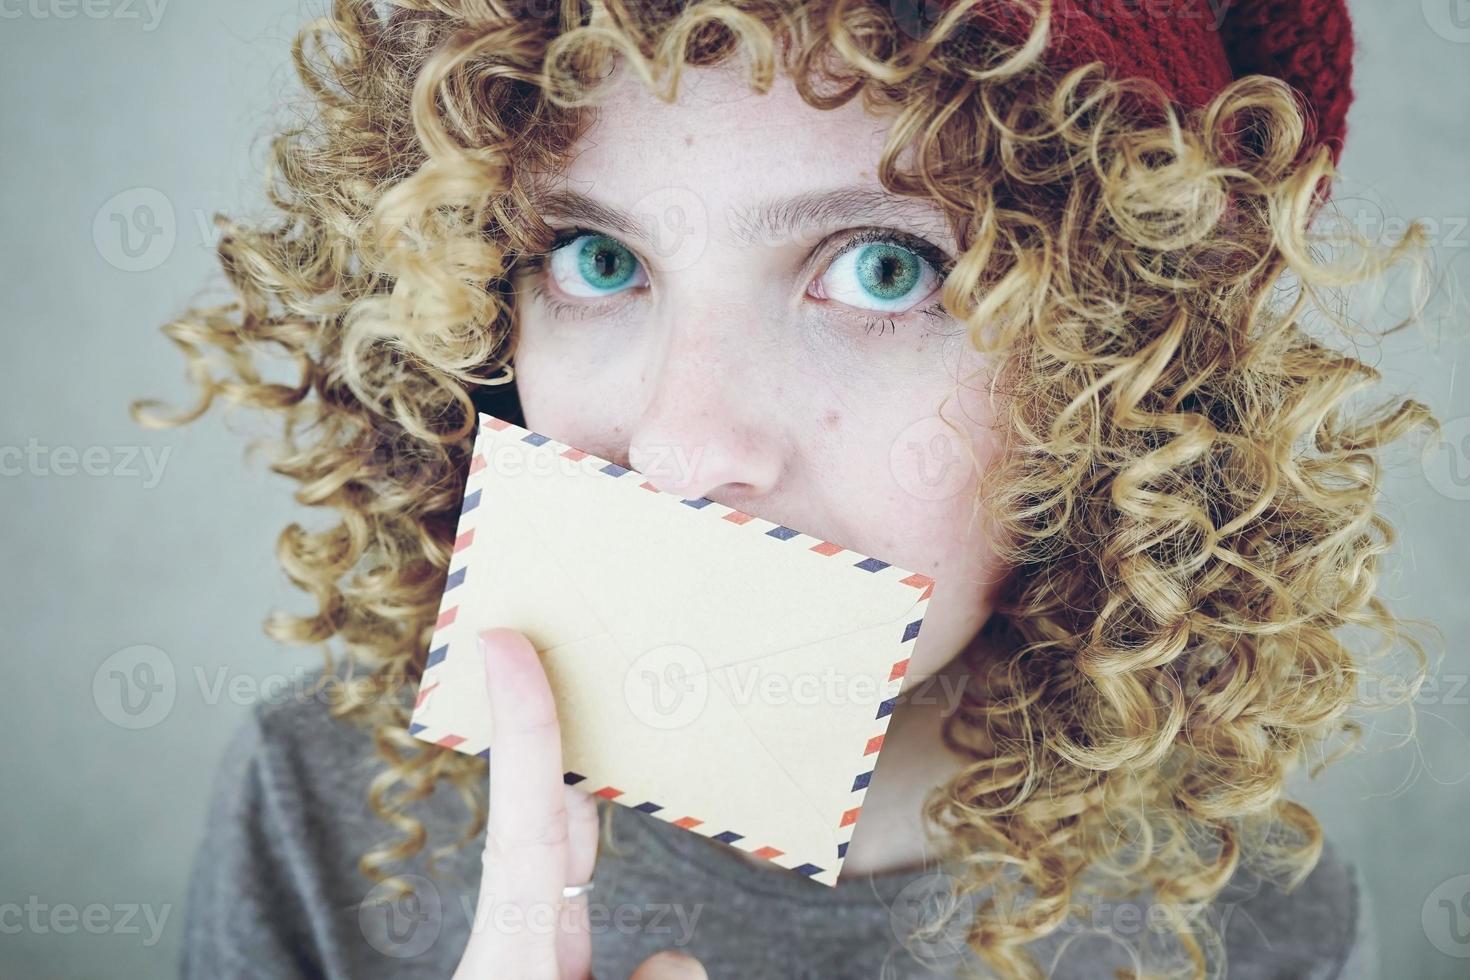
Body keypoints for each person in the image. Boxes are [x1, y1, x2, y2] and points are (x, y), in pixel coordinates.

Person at [137, 0, 1442, 976]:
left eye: (884, 269)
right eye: (596, 257)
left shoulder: (1254, 920)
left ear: (1129, 370)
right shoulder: (321, 804)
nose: (677, 451)